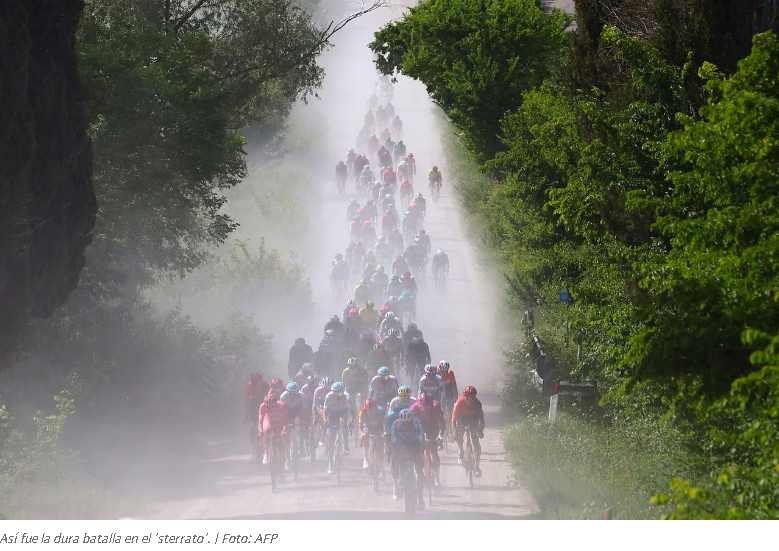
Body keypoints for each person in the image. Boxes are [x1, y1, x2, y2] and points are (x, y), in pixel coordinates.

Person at [390, 409, 426, 508]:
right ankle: (396, 486)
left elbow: (422, 439)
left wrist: (420, 453)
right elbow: (393, 442)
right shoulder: (396, 424)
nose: (406, 425)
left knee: (419, 469)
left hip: (415, 444)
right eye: (404, 423)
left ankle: (420, 496)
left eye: (408, 422)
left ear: (412, 419)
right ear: (400, 421)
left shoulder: (417, 422)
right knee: (394, 459)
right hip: (402, 444)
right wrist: (394, 454)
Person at [410, 391, 446, 486]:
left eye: (429, 406)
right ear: (420, 404)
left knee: (434, 451)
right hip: (419, 426)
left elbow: (441, 422)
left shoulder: (436, 406)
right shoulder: (414, 407)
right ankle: (417, 473)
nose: (426, 408)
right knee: (416, 452)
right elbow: (408, 424)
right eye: (424, 406)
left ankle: (437, 479)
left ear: (432, 404)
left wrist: (441, 436)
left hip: (432, 426)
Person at [452, 386, 485, 476]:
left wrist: (481, 430)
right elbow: (453, 420)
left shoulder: (478, 404)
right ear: (464, 397)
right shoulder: (459, 403)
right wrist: (455, 432)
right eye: (468, 398)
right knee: (459, 433)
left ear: (475, 397)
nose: (470, 400)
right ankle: (461, 450)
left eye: (472, 398)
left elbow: (481, 420)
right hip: (462, 419)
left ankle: (477, 467)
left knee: (476, 443)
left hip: (472, 419)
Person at [323, 381, 352, 474]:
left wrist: (351, 421)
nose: (336, 395)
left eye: (339, 393)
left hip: (343, 412)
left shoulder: (347, 396)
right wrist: (325, 420)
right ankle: (330, 462)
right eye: (334, 393)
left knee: (343, 422)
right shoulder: (329, 396)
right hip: (332, 414)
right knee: (330, 437)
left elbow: (352, 410)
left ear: (343, 391)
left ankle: (346, 445)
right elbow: (325, 411)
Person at [281, 381, 310, 463]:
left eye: (295, 394)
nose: (293, 396)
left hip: (298, 410)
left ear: (298, 391)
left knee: (302, 426)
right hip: (287, 411)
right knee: (286, 432)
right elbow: (280, 409)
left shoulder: (302, 395)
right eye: (291, 394)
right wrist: (284, 421)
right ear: (287, 392)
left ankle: (302, 446)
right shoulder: (283, 396)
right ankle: (287, 457)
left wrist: (300, 418)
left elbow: (305, 409)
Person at [259, 390, 288, 469]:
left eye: (272, 406)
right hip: (269, 419)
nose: (270, 408)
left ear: (276, 403)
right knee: (266, 430)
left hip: (279, 420)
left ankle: (284, 460)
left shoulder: (282, 405)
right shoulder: (262, 406)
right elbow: (260, 422)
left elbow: (285, 422)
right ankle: (266, 453)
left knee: (280, 442)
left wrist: (284, 431)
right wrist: (261, 430)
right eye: (268, 406)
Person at [359, 398, 386, 472]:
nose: (369, 411)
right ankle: (365, 459)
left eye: (372, 409)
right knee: (365, 434)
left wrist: (385, 433)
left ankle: (382, 467)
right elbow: (360, 424)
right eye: (368, 409)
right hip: (367, 426)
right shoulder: (363, 411)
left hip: (378, 427)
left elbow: (385, 424)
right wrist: (362, 434)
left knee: (380, 448)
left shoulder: (381, 411)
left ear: (375, 408)